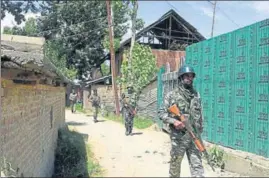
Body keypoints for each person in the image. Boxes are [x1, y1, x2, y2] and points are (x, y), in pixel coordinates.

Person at [158, 65, 204, 177]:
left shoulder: (196, 95)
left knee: (197, 165)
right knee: (175, 165)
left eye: (191, 76)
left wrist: (200, 130)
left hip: (194, 136)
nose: (190, 78)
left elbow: (200, 114)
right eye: (187, 76)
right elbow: (161, 113)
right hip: (179, 137)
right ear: (181, 78)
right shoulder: (171, 95)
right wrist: (174, 121)